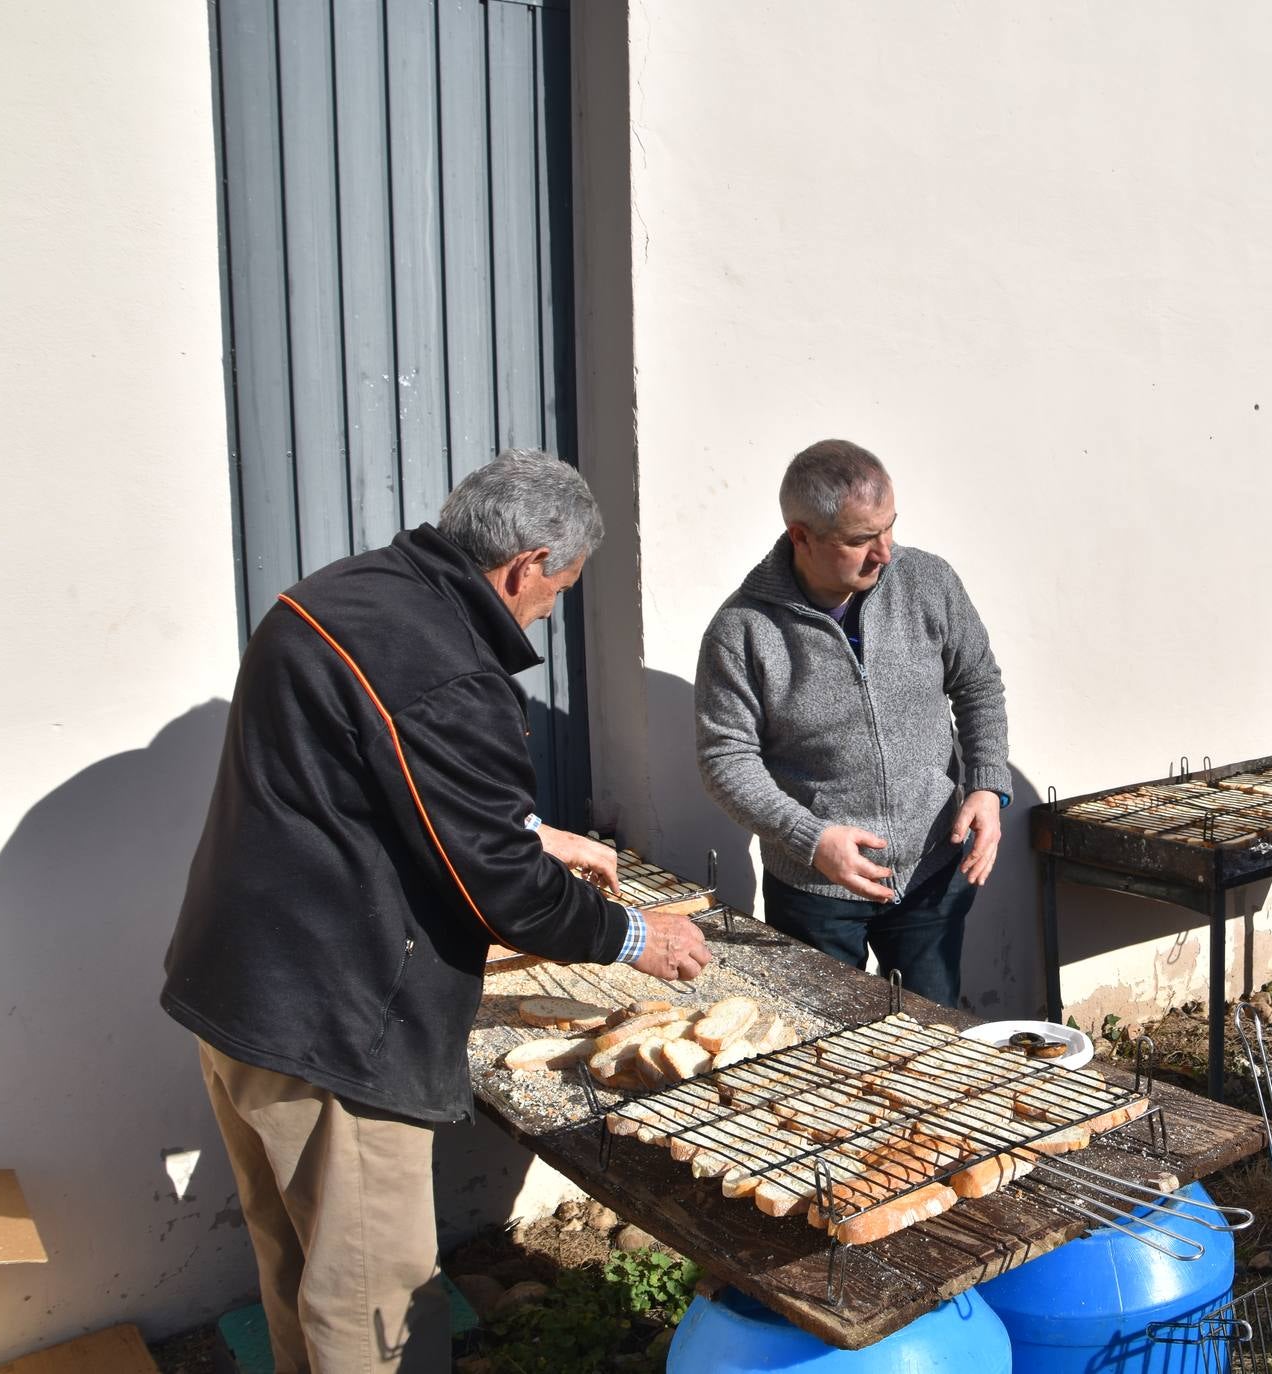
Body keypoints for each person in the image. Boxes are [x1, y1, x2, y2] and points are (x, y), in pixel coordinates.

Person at [162, 451, 713, 1372]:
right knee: (370, 1306)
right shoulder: (448, 668)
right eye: (560, 590)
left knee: (297, 1266)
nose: (549, 612)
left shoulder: (340, 595)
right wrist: (633, 935)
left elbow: (369, 777)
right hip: (332, 1028)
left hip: (235, 992)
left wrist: (531, 826)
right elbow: (504, 892)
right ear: (528, 563)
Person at [696, 439, 1009, 1008]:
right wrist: (810, 839)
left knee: (932, 1047)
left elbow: (978, 683)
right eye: (861, 539)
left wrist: (987, 784)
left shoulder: (929, 583)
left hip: (932, 874)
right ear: (802, 536)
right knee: (827, 1058)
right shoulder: (741, 630)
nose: (885, 552)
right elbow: (725, 760)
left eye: (889, 527)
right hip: (815, 889)